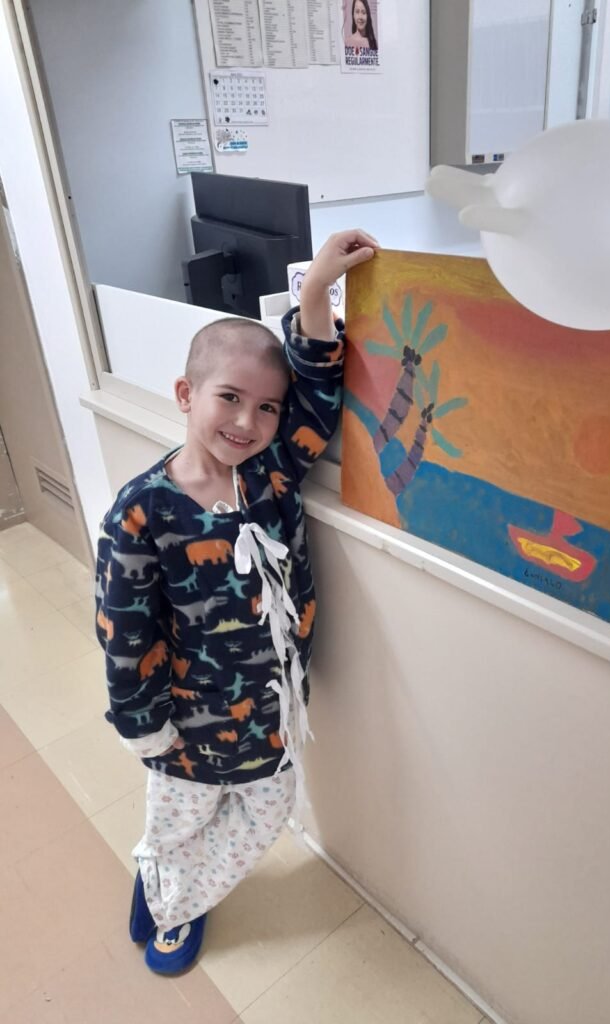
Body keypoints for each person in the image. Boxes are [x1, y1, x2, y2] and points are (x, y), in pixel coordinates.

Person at [94, 229, 378, 975]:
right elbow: (124, 632)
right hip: (186, 728)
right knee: (179, 823)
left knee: (265, 812)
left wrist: (313, 291)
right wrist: (144, 725)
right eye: (229, 398)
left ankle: (175, 892)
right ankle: (169, 892)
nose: (248, 422)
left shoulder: (273, 471)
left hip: (272, 714)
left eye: (266, 408)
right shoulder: (142, 512)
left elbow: (317, 391)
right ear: (186, 395)